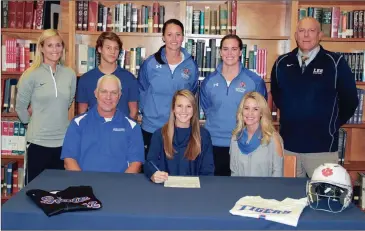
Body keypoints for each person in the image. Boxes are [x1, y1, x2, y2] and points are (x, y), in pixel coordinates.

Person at [270, 17, 359, 178]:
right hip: (289, 148)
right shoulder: (281, 63)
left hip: (322, 149)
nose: (306, 35)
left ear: (320, 35)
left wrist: (330, 124)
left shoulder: (335, 62)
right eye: (302, 31)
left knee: (324, 199)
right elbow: (278, 96)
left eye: (311, 31)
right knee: (289, 199)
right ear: (296, 35)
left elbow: (350, 100)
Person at [200, 34, 267, 176]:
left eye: (234, 49)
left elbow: (261, 112)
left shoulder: (254, 81)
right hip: (213, 143)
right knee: (214, 189)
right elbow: (207, 109)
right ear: (220, 52)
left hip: (242, 143)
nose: (229, 53)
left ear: (240, 52)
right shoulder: (208, 81)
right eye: (225, 49)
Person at [15, 29, 77, 183]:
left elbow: (68, 102)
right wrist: (29, 122)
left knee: (60, 191)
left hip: (63, 143)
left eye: (58, 45)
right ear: (41, 48)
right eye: (50, 45)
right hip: (37, 143)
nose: (54, 49)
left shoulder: (70, 74)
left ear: (62, 48)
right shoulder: (30, 75)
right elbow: (20, 107)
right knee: (35, 192)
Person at [138, 19, 199, 158]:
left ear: (183, 37)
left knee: (177, 173)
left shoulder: (191, 65)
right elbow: (141, 89)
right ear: (163, 37)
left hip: (180, 127)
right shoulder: (150, 63)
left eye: (178, 34)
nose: (174, 39)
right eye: (169, 34)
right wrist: (148, 112)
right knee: (152, 172)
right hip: (153, 127)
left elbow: (192, 93)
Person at [61, 74, 144, 173]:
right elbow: (69, 161)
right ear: (96, 93)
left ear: (119, 96)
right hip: (84, 184)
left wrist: (121, 185)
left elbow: (136, 164)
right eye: (104, 91)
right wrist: (84, 184)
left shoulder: (132, 126)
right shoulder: (77, 124)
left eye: (113, 92)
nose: (108, 97)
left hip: (119, 185)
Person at [144, 90, 214, 183]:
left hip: (194, 191)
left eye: (188, 106)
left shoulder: (203, 135)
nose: (183, 111)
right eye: (179, 106)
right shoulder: (160, 134)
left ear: (194, 109)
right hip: (164, 189)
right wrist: (153, 173)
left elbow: (208, 170)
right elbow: (149, 163)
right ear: (173, 108)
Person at [76, 32, 139, 120]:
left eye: (116, 48)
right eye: (108, 48)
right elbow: (82, 114)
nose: (112, 52)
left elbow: (134, 112)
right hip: (94, 131)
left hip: (121, 131)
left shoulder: (129, 79)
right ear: (99, 49)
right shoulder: (86, 79)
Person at [230, 92, 283, 177]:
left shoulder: (273, 138)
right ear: (242, 111)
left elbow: (278, 174)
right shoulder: (235, 138)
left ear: (261, 113)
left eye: (255, 109)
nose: (250, 113)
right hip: (241, 188)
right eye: (246, 108)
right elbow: (234, 173)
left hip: (266, 189)